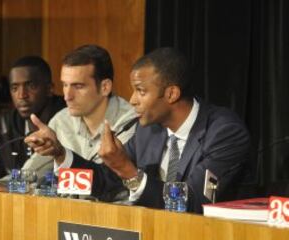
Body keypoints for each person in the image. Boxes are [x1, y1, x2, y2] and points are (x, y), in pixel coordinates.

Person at [25, 47, 250, 213]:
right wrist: (60, 154)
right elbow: (105, 182)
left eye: (141, 91)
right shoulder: (149, 131)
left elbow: (192, 203)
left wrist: (128, 171)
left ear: (171, 94)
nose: (132, 100)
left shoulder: (224, 132)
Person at [26, 44, 137, 200]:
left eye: (78, 86)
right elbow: (30, 174)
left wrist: (61, 155)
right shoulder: (61, 120)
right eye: (65, 85)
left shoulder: (130, 123)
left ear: (105, 87)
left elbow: (109, 184)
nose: (67, 96)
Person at [0, 56, 66, 182]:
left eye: (30, 86)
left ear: (50, 89)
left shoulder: (68, 119)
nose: (21, 95)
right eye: (14, 88)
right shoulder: (3, 125)